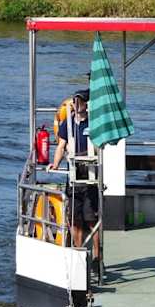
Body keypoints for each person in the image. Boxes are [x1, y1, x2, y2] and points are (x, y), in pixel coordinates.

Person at [47, 88, 100, 269]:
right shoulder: (67, 124)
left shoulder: (94, 123)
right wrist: (55, 164)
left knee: (91, 218)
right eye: (75, 101)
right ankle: (78, 254)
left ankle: (97, 256)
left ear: (87, 104)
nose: (77, 104)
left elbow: (100, 147)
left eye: (81, 101)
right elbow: (61, 146)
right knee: (75, 218)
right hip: (73, 176)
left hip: (90, 175)